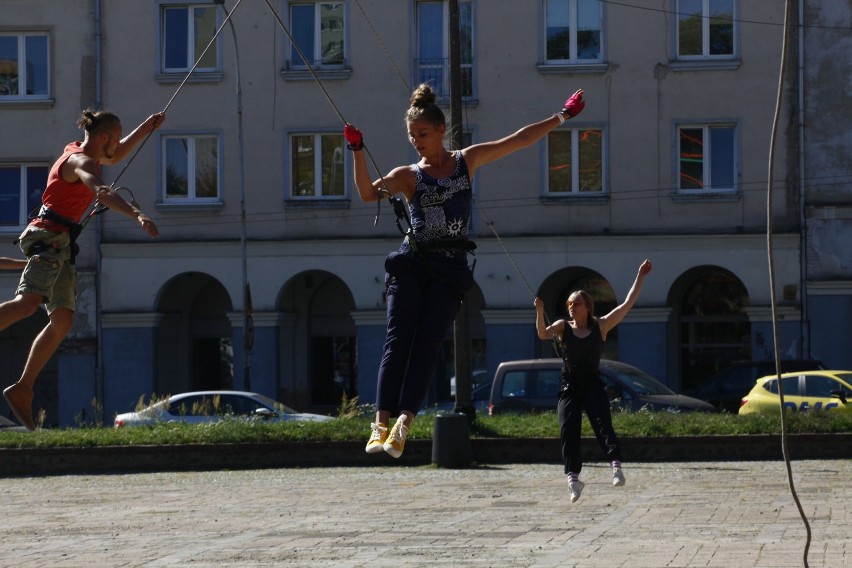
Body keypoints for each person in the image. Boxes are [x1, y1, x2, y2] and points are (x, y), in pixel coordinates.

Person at [344, 84, 586, 458]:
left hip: (449, 270)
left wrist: (562, 116)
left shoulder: (466, 161)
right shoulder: (408, 175)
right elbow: (366, 193)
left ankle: (402, 426)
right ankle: (379, 424)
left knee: (426, 346)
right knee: (398, 341)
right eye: (412, 136)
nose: (417, 142)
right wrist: (357, 151)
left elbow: (518, 140)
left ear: (441, 130)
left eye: (423, 134)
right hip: (413, 266)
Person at [2, 109, 164, 430]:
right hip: (46, 237)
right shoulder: (81, 162)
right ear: (103, 137)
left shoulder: (83, 150)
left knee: (62, 319)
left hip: (61, 244)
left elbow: (115, 156)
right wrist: (137, 215)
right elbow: (101, 191)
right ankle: (21, 389)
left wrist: (145, 127)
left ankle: (22, 389)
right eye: (115, 138)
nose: (117, 145)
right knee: (28, 304)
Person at [534, 259, 652, 502]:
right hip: (569, 387)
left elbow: (627, 304)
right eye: (568, 304)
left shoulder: (601, 326)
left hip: (592, 384)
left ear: (587, 306)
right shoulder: (562, 327)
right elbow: (543, 333)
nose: (571, 307)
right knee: (568, 429)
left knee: (602, 424)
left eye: (575, 303)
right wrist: (538, 311)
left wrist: (640, 275)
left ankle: (616, 466)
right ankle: (573, 480)